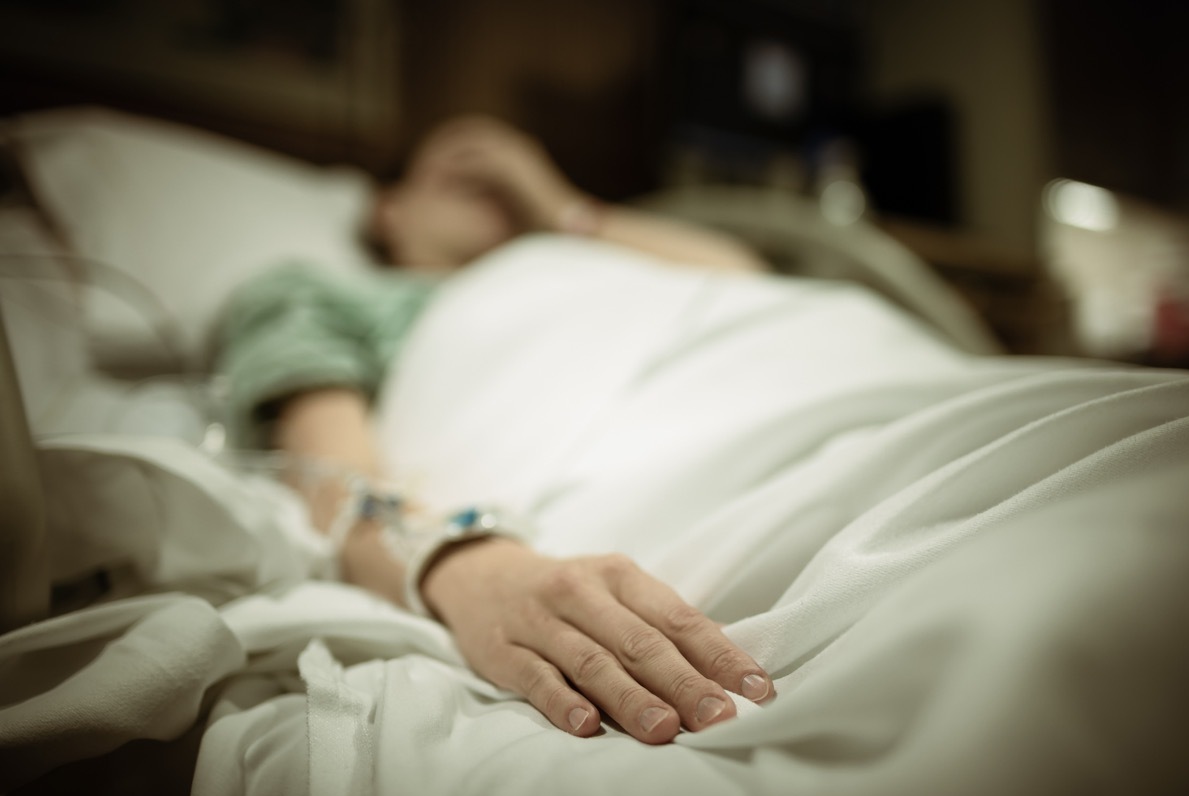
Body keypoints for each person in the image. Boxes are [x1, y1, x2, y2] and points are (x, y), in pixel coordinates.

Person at [216, 115, 774, 746]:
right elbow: (330, 473)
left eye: (507, 166)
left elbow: (747, 282)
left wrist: (564, 209)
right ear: (389, 211)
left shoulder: (595, 267)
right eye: (454, 165)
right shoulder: (327, 293)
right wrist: (466, 568)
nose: (490, 171)